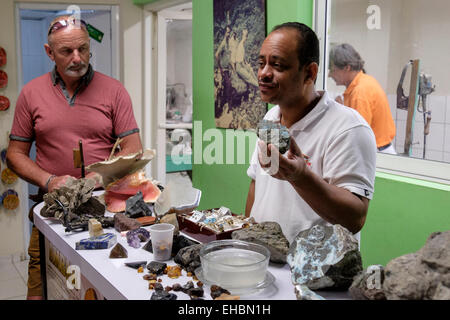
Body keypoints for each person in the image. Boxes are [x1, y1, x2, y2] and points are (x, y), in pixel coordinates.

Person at [6, 15, 143, 299]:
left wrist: (98, 177)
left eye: (83, 48)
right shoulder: (31, 93)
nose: (78, 58)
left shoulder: (114, 90)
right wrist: (50, 180)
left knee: (98, 288)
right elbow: (15, 155)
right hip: (52, 213)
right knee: (44, 288)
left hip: (103, 213)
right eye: (67, 51)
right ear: (49, 52)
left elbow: (133, 149)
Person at [245, 22, 376, 244]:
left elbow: (355, 218)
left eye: (277, 65)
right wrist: (245, 241)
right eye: (261, 63)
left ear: (309, 73)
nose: (264, 73)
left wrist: (300, 177)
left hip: (314, 273)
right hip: (265, 261)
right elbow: (257, 185)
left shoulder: (348, 128)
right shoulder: (270, 118)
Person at [328, 43, 396, 154]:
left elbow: (358, 136)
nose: (329, 75)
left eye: (332, 69)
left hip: (376, 152)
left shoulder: (360, 93)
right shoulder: (364, 81)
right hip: (380, 148)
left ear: (347, 68)